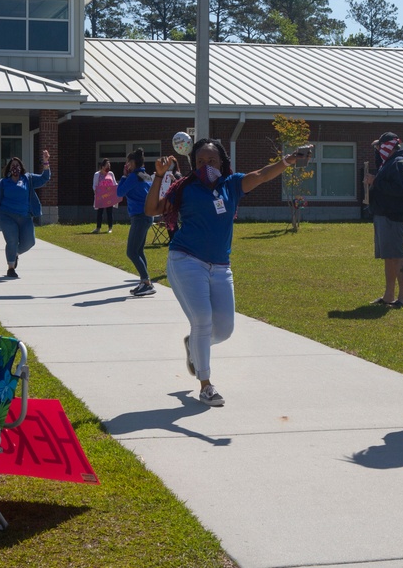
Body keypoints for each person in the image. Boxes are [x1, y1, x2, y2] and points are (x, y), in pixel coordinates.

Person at [145, 138, 302, 407]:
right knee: (203, 320)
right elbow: (152, 210)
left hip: (220, 267)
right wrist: (159, 177)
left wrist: (289, 160)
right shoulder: (184, 188)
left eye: (212, 161)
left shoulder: (232, 184)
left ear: (223, 162)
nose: (206, 166)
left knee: (225, 329)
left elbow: (262, 175)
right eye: (200, 162)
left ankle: (194, 345)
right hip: (186, 260)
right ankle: (206, 385)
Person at [0, 150, 50, 278]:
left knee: (30, 242)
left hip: (25, 217)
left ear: (21, 167)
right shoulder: (3, 183)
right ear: (9, 168)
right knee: (12, 241)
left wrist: (46, 161)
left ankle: (14, 253)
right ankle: (11, 268)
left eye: (17, 165)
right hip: (7, 216)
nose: (15, 168)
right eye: (12, 166)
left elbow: (45, 178)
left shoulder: (28, 179)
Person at [364, 132, 403, 308]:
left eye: (380, 146)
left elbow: (399, 189)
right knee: (388, 257)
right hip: (383, 214)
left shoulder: (398, 163)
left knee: (397, 256)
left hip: (393, 216)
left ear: (389, 146)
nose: (378, 150)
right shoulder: (389, 162)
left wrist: (375, 181)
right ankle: (389, 295)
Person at [117, 149, 155, 296]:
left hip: (139, 216)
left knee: (131, 252)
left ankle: (146, 282)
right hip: (147, 216)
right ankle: (144, 282)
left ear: (133, 163)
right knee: (138, 250)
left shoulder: (133, 177)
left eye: (128, 162)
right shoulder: (146, 176)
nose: (127, 164)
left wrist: (124, 176)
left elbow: (119, 193)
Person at [91, 158, 117, 234]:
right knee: (100, 212)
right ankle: (98, 228)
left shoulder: (111, 174)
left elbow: (114, 183)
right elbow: (94, 185)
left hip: (109, 195)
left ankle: (110, 228)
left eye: (109, 165)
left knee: (109, 212)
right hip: (101, 196)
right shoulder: (97, 174)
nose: (108, 167)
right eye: (107, 165)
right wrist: (97, 193)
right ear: (102, 166)